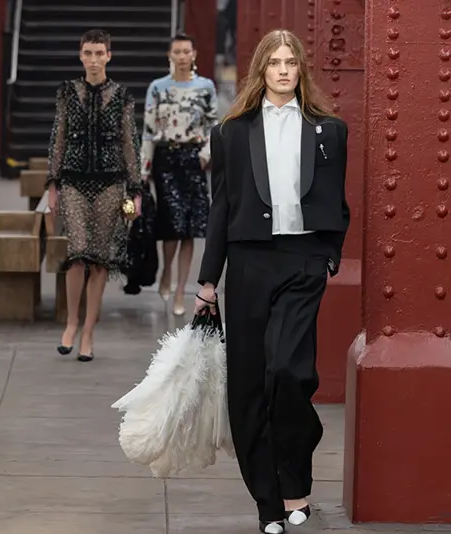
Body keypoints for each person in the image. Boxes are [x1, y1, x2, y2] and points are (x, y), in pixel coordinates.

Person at [193, 29, 349, 533]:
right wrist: (208, 281)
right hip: (248, 264)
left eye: (291, 62)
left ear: (301, 69)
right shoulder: (231, 132)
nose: (283, 70)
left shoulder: (330, 131)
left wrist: (327, 256)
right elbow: (221, 207)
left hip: (302, 262)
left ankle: (295, 479)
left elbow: (337, 201)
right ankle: (268, 503)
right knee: (248, 387)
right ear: (261, 69)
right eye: (275, 62)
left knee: (287, 373)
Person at [47, 29, 143, 362]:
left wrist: (135, 191)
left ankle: (88, 331)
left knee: (100, 260)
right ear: (80, 55)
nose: (93, 59)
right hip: (73, 182)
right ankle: (71, 322)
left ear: (108, 56)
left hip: (111, 184)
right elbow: (58, 137)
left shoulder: (122, 96)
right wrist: (52, 184)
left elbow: (130, 143)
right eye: (88, 53)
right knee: (77, 254)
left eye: (99, 53)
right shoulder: (67, 92)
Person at [141, 32, 218, 316]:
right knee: (172, 223)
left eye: (187, 51)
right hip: (166, 159)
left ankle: (180, 290)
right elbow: (148, 130)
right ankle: (166, 272)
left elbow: (213, 125)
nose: (183, 56)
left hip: (193, 159)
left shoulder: (205, 87)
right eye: (177, 52)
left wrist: (205, 155)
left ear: (194, 54)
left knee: (191, 228)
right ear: (170, 55)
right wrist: (144, 168)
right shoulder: (157, 88)